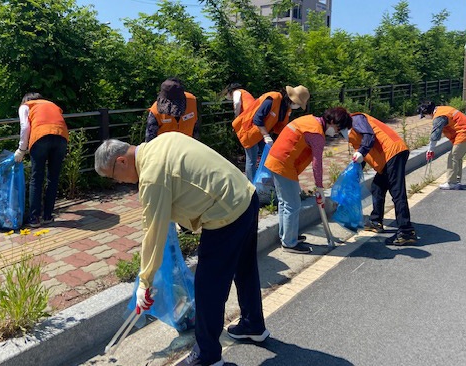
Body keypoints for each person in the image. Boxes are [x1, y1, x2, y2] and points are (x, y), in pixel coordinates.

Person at [95, 132, 268, 366]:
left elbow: (153, 232)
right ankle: (253, 324)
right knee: (244, 267)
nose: (120, 183)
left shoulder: (151, 176)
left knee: (208, 286)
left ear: (121, 161)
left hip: (225, 214)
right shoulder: (161, 142)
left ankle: (207, 356)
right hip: (245, 195)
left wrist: (144, 282)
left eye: (114, 177)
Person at [322, 107, 418, 246]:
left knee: (397, 192)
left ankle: (406, 231)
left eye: (330, 123)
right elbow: (361, 154)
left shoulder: (356, 119)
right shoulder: (349, 132)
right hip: (385, 158)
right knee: (377, 187)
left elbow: (369, 137)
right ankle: (375, 221)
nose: (331, 129)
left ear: (336, 120)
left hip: (393, 152)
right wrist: (353, 174)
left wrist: (361, 152)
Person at [263, 108, 326, 254]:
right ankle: (289, 243)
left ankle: (286, 236)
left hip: (276, 158)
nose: (336, 133)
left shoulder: (310, 120)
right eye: (337, 129)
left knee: (285, 202)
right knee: (293, 204)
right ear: (333, 123)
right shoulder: (317, 134)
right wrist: (319, 187)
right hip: (284, 164)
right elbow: (317, 163)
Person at [232, 85, 310, 182]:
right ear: (292, 99)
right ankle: (251, 187)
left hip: (262, 132)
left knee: (268, 156)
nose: (297, 106)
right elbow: (257, 118)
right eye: (298, 103)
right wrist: (266, 136)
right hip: (249, 129)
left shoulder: (286, 108)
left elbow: (280, 128)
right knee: (252, 160)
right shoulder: (273, 98)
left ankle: (263, 182)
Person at [13, 92, 68, 228]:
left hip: (40, 137)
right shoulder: (52, 104)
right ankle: (48, 216)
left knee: (36, 178)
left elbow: (25, 127)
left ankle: (34, 218)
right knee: (53, 178)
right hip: (61, 137)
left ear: (25, 100)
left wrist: (21, 149)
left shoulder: (26, 106)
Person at [417, 101, 466, 190]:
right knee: (457, 157)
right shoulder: (443, 110)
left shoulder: (439, 117)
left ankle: (452, 183)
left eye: (424, 116)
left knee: (453, 157)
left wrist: (430, 150)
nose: (425, 118)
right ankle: (456, 181)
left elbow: (435, 134)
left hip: (464, 133)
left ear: (427, 113)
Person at [146, 78, 200, 142]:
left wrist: (195, 144)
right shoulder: (155, 111)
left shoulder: (193, 101)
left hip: (187, 146)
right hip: (165, 149)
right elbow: (150, 139)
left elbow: (196, 125)